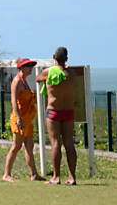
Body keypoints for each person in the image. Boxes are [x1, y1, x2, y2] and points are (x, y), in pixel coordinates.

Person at [36, 46, 77, 185]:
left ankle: (56, 177)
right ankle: (72, 177)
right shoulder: (71, 73)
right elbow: (68, 72)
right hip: (68, 111)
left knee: (55, 143)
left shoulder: (48, 72)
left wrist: (53, 66)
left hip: (54, 111)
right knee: (69, 144)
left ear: (54, 58)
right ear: (66, 59)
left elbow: (37, 78)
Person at [3, 58, 44, 182]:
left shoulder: (24, 81)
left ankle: (34, 174)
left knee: (29, 146)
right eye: (28, 66)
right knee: (16, 146)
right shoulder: (16, 81)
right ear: (21, 68)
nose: (30, 68)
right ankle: (6, 174)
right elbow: (13, 101)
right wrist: (18, 118)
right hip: (19, 118)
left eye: (31, 65)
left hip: (27, 119)